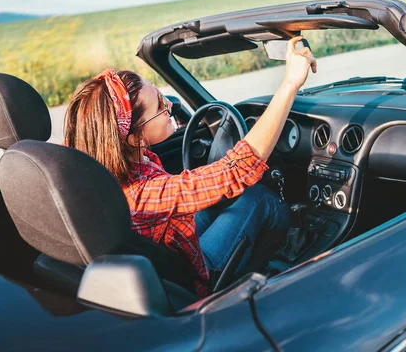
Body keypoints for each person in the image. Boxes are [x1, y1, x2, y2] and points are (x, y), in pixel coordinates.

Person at [64, 37, 317, 296]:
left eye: (161, 95)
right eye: (160, 107)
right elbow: (239, 168)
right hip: (193, 279)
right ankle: (288, 258)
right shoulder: (141, 194)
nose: (170, 105)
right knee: (260, 198)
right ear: (135, 137)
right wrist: (290, 83)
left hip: (169, 249)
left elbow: (200, 185)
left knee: (219, 202)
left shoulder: (91, 167)